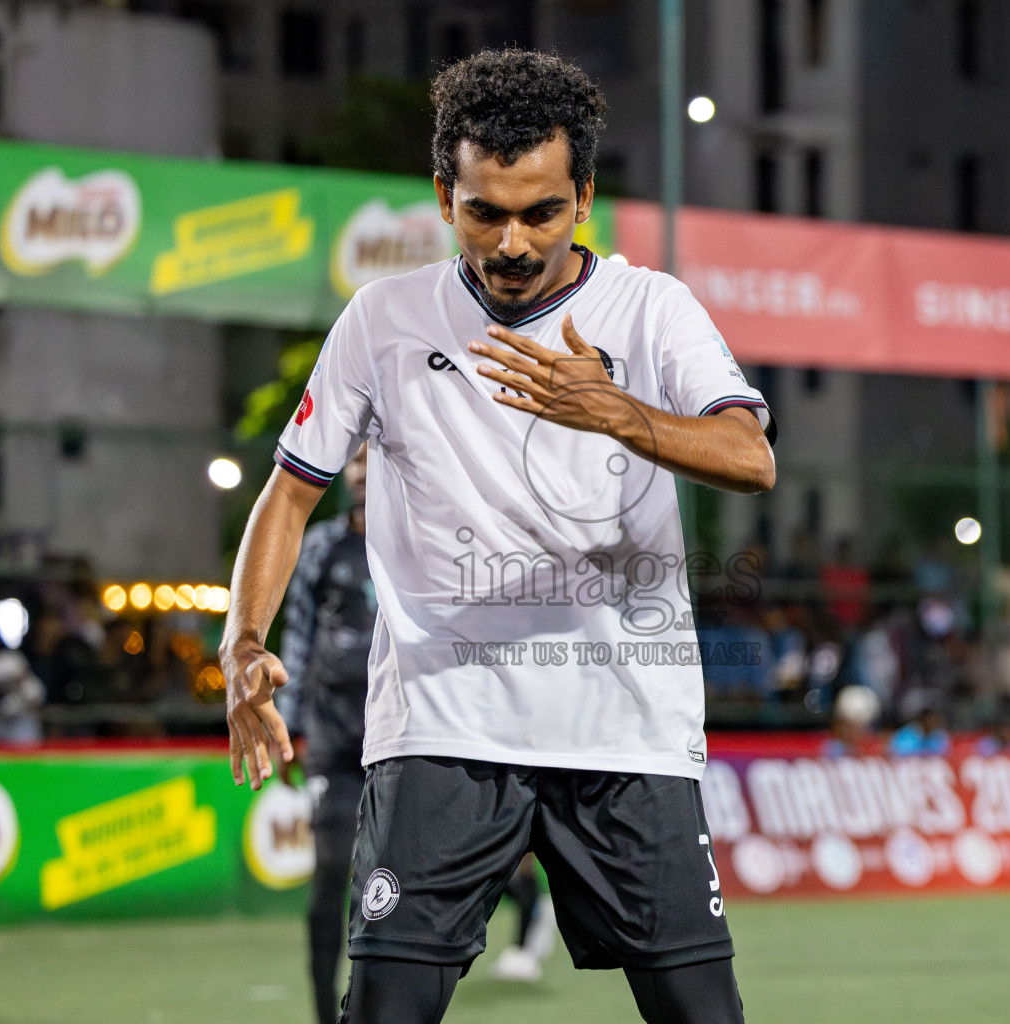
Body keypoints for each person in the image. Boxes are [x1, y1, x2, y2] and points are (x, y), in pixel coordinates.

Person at [220, 49, 775, 1024]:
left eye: (541, 212)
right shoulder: (382, 319)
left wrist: (616, 413)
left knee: (703, 1015)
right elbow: (291, 489)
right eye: (486, 212)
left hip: (627, 729)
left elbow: (749, 453)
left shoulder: (652, 310)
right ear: (444, 196)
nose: (513, 241)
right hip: (442, 727)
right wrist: (243, 643)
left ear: (584, 199)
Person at [275, 447, 377, 1024]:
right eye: (354, 461)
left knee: (386, 891)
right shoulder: (320, 545)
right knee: (331, 877)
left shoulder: (417, 541)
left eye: (370, 459)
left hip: (401, 740)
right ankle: (323, 1014)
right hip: (335, 743)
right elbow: (300, 633)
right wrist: (289, 721)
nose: (361, 471)